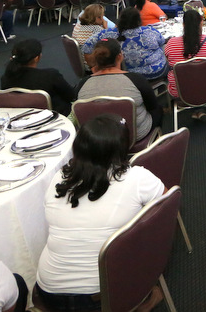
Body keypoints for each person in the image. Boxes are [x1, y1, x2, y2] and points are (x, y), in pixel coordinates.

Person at [34, 115, 165, 312]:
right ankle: (139, 302)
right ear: (121, 148)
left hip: (47, 293)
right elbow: (168, 206)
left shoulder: (59, 178)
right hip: (100, 296)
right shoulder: (137, 178)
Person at [75, 38, 162, 140]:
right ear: (119, 56)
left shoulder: (82, 84)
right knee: (158, 109)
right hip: (134, 136)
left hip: (97, 139)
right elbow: (152, 105)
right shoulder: (136, 80)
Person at [82, 7, 167, 80]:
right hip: (155, 72)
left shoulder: (107, 34)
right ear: (139, 20)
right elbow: (162, 42)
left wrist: (94, 66)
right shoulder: (150, 31)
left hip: (123, 75)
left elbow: (86, 47)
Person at [0, 39, 76, 115]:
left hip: (21, 117)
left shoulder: (5, 78)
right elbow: (71, 96)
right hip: (54, 117)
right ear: (37, 58)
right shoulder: (50, 75)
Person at [163, 9, 206, 98]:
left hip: (180, 93)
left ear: (183, 25)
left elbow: (168, 61)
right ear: (201, 23)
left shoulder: (171, 44)